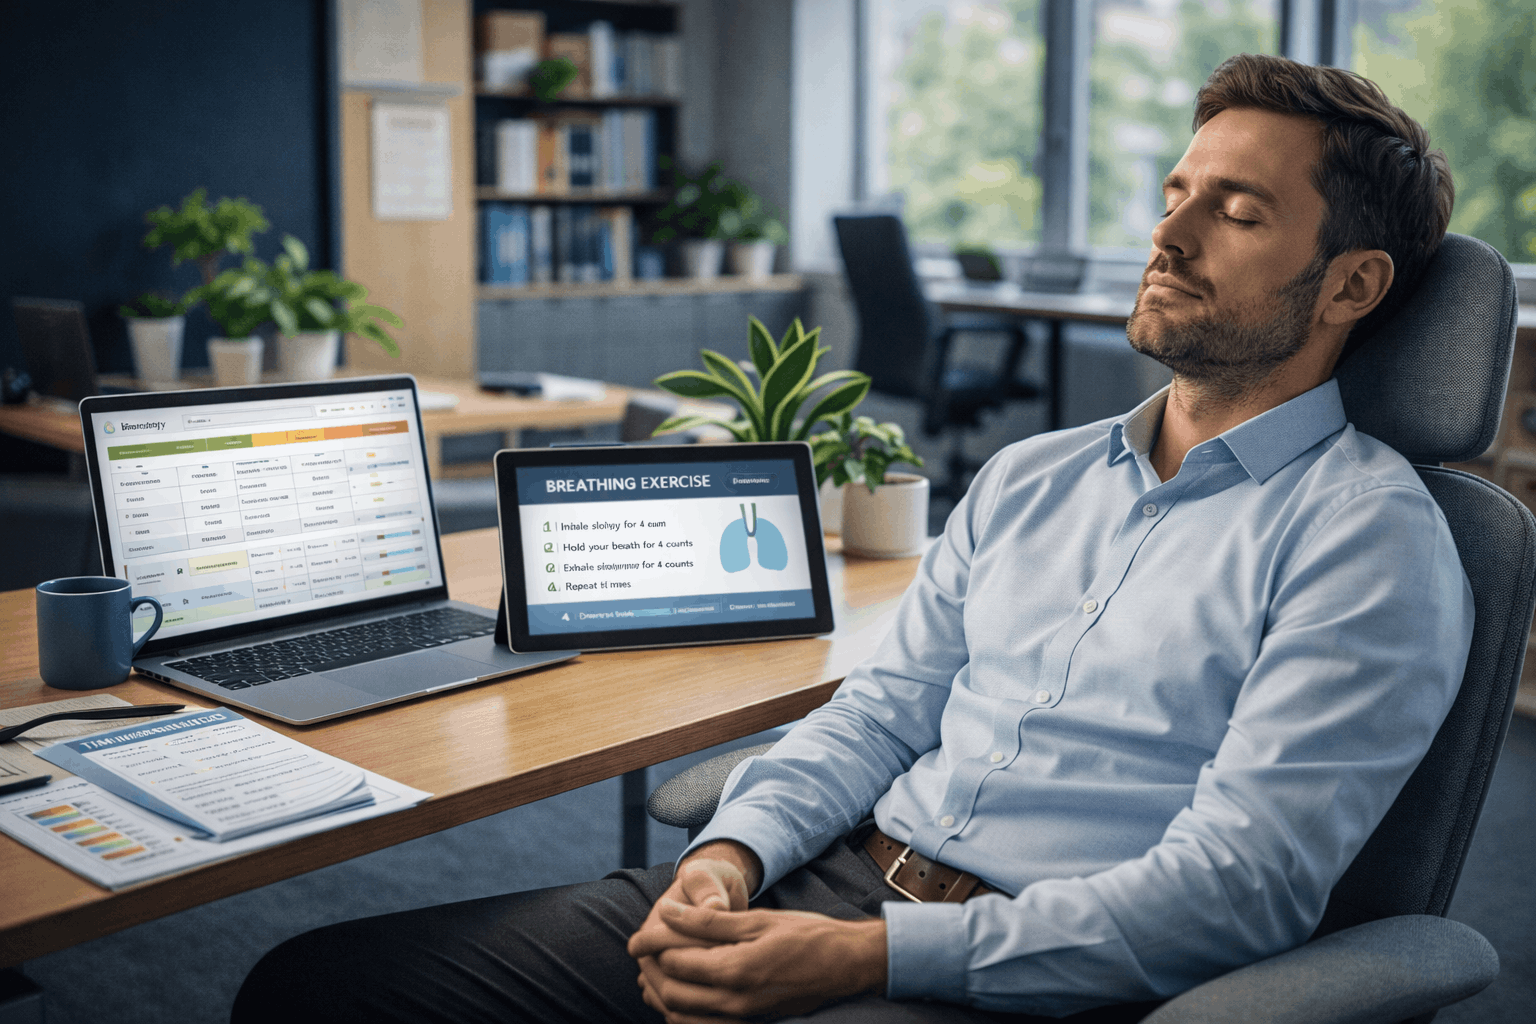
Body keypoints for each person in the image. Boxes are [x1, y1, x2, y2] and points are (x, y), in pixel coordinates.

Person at [233, 53, 1471, 1023]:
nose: (1170, 235)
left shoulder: (1368, 544)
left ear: (1352, 286)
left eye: (1237, 212)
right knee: (314, 988)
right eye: (1174, 196)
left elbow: (1237, 888)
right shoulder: (1032, 476)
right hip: (818, 880)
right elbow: (878, 717)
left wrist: (868, 957)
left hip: (1018, 975)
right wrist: (727, 856)